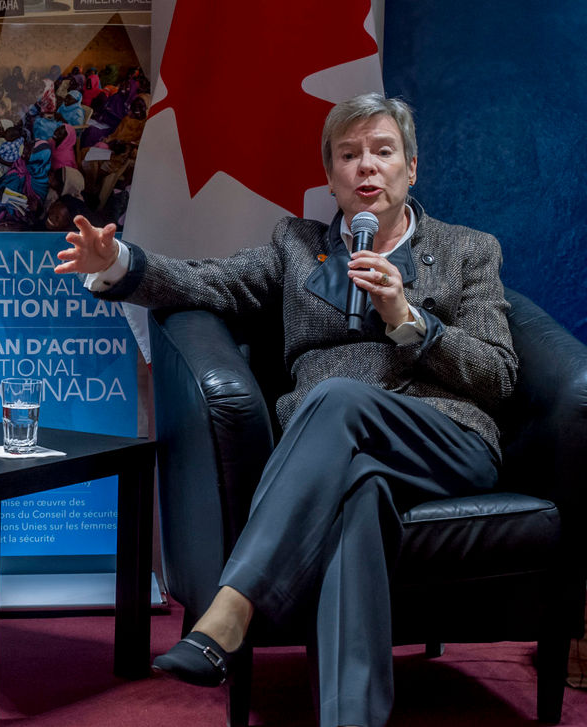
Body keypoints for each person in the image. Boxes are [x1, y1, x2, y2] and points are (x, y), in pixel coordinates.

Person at [55, 92, 516, 727]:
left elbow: (497, 375)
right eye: (348, 156)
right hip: (339, 458)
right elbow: (205, 281)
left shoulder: (468, 251)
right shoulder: (297, 247)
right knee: (359, 491)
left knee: (336, 398)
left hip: (445, 442)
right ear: (330, 177)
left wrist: (408, 320)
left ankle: (234, 606)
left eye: (383, 152)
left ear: (412, 168)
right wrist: (121, 263)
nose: (366, 168)